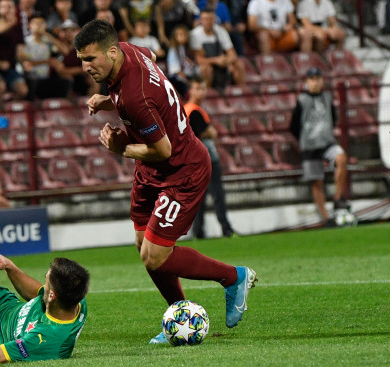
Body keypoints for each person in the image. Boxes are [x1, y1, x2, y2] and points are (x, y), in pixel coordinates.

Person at [74, 19, 257, 343]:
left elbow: (163, 149)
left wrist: (121, 148)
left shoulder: (135, 96)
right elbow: (153, 61)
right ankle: (180, 315)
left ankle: (234, 277)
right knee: (144, 246)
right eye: (82, 60)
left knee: (155, 255)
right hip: (151, 171)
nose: (86, 67)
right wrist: (109, 100)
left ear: (112, 52)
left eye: (91, 59)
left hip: (181, 169)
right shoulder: (132, 53)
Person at [290, 67, 350, 225]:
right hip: (309, 146)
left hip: (326, 142)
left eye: (318, 78)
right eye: (312, 79)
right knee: (317, 182)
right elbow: (294, 126)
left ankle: (338, 198)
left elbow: (333, 117)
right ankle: (325, 218)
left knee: (341, 159)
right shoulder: (302, 100)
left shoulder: (328, 98)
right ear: (307, 82)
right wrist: (305, 139)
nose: (315, 82)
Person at [184, 76, 235, 239]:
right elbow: (204, 132)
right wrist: (210, 131)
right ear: (190, 91)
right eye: (197, 88)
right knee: (217, 194)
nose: (201, 92)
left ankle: (198, 232)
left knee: (199, 198)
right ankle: (226, 229)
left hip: (194, 161)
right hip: (207, 158)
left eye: (203, 88)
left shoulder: (187, 109)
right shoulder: (193, 110)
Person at [189, 7, 244, 90]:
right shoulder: (195, 34)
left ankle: (241, 93)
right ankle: (208, 97)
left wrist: (226, 61)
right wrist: (216, 60)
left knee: (239, 64)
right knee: (206, 69)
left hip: (221, 64)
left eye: (211, 19)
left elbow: (232, 54)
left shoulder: (221, 31)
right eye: (205, 19)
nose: (208, 22)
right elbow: (199, 60)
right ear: (201, 20)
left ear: (215, 19)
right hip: (204, 66)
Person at [247, 0, 311, 54]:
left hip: (283, 34)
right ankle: (268, 64)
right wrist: (269, 31)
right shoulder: (255, 2)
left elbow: (293, 20)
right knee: (263, 35)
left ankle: (306, 63)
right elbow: (251, 25)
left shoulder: (285, 1)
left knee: (305, 33)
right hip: (267, 37)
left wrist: (289, 25)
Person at [165, 25, 197, 97]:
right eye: (180, 35)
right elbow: (176, 71)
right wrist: (188, 82)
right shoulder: (173, 50)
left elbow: (193, 65)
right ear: (175, 37)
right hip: (177, 78)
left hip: (189, 75)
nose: (183, 37)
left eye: (184, 34)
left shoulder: (188, 49)